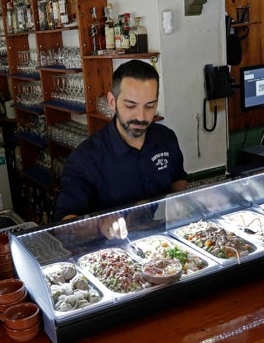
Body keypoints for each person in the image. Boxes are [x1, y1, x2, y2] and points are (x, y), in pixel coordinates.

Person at [53, 60, 187, 238]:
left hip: (161, 239)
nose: (141, 116)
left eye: (149, 106)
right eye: (130, 106)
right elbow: (64, 223)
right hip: (109, 251)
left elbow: (178, 179)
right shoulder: (86, 158)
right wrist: (101, 225)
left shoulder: (166, 138)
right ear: (112, 101)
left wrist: (183, 203)